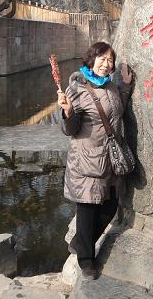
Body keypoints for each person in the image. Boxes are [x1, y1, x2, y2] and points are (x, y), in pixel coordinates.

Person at [57, 42, 133, 280]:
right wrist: (68, 112)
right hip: (87, 159)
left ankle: (80, 243)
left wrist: (127, 86)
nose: (106, 64)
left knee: (110, 207)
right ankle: (86, 260)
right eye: (101, 58)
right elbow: (70, 129)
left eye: (110, 60)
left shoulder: (110, 86)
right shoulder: (77, 88)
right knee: (88, 209)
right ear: (91, 60)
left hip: (109, 157)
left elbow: (116, 107)